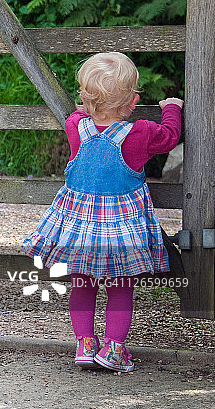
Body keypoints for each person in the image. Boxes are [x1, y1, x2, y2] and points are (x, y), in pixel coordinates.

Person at [22, 52, 183, 373]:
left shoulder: (75, 127)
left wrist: (90, 107)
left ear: (84, 98)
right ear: (133, 102)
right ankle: (114, 351)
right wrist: (172, 109)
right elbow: (170, 138)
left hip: (79, 229)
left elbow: (80, 115)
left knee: (82, 285)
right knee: (121, 288)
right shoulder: (140, 133)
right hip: (121, 232)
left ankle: (84, 344)